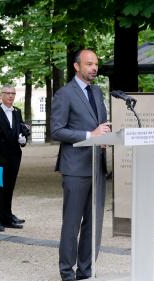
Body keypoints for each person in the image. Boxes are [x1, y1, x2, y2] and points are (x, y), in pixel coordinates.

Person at [51, 49, 111, 281]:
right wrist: (90, 134)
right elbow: (56, 130)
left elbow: (100, 126)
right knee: (72, 223)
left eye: (96, 64)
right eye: (89, 64)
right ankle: (67, 272)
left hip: (97, 166)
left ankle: (86, 272)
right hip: (75, 168)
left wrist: (105, 138)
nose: (94, 68)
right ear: (77, 66)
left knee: (94, 224)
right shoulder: (64, 94)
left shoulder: (97, 92)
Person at [0, 85, 27, 232]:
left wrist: (23, 140)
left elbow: (20, 131)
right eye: (7, 93)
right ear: (1, 95)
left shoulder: (17, 112)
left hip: (14, 157)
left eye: (13, 93)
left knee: (9, 188)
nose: (10, 96)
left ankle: (8, 217)